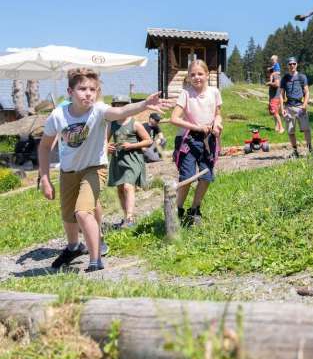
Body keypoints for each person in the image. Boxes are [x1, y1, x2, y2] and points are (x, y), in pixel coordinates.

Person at [37, 68, 170, 272]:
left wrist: (144, 104)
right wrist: (45, 178)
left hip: (94, 168)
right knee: (68, 215)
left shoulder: (99, 110)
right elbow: (45, 147)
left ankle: (95, 259)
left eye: (93, 89)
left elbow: (121, 112)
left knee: (83, 212)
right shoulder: (58, 115)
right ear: (70, 92)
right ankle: (74, 247)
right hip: (68, 171)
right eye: (82, 89)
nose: (88, 93)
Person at [170, 59, 223, 226]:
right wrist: (197, 127)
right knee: (187, 176)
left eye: (200, 74)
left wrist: (217, 124)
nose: (196, 77)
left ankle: (194, 209)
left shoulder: (214, 92)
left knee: (206, 176)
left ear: (207, 74)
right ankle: (178, 209)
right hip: (188, 139)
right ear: (188, 77)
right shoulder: (186, 93)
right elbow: (174, 118)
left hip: (208, 138)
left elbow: (218, 114)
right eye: (192, 74)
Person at [107, 95, 153, 229]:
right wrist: (107, 147)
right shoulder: (111, 124)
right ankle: (126, 216)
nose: (120, 107)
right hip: (118, 159)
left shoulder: (135, 123)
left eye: (123, 104)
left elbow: (148, 141)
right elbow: (105, 141)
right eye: (117, 105)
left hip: (133, 158)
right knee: (120, 188)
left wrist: (132, 145)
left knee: (128, 186)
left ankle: (130, 217)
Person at [280, 56, 312, 157]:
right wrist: (282, 108)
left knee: (306, 129)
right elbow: (281, 94)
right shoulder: (285, 78)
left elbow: (307, 92)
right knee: (291, 131)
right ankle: (295, 151)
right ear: (287, 66)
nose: (292, 66)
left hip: (300, 107)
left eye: (294, 64)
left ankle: (310, 149)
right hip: (289, 107)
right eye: (290, 64)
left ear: (296, 64)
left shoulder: (302, 77)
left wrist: (305, 105)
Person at [266, 67, 284, 134]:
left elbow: (277, 84)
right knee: (275, 113)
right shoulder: (275, 76)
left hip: (275, 98)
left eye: (267, 72)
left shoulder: (275, 75)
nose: (267, 74)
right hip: (274, 97)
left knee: (275, 113)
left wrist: (269, 83)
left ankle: (281, 128)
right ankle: (277, 126)